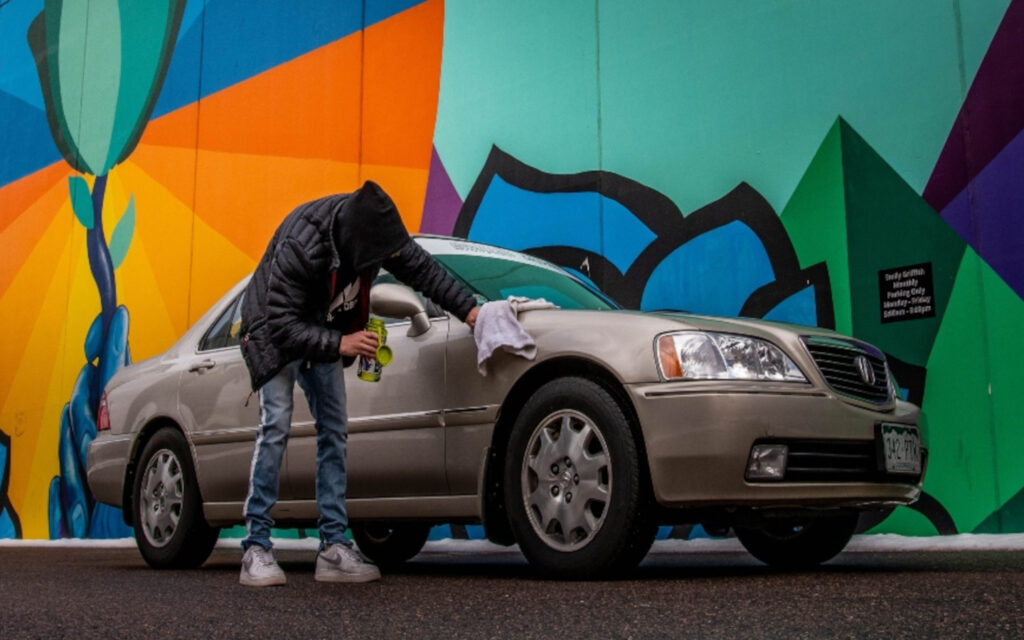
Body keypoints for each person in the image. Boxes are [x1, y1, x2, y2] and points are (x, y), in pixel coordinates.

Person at [236, 180, 480, 587]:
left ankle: (333, 547)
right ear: (352, 244)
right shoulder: (304, 243)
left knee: (335, 430)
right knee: (276, 425)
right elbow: (281, 324)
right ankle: (256, 546)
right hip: (273, 328)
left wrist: (472, 312)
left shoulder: (373, 230)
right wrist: (342, 341)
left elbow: (424, 271)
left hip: (321, 325)